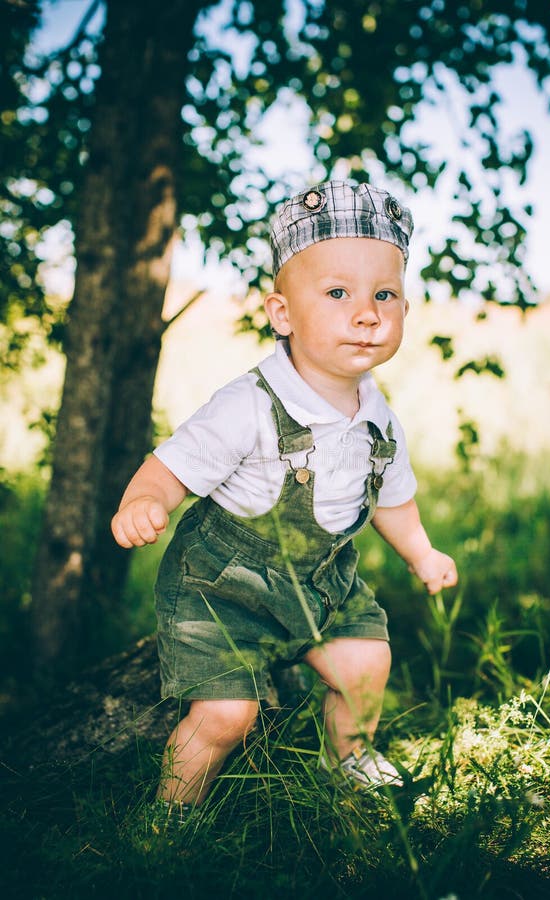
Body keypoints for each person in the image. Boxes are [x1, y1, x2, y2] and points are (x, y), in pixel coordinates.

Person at [112, 180, 458, 813]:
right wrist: (146, 500)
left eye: (386, 295)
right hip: (223, 588)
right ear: (282, 314)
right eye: (337, 294)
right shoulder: (248, 404)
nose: (367, 313)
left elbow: (391, 499)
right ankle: (169, 819)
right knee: (225, 716)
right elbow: (172, 464)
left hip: (321, 582)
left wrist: (422, 553)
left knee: (365, 666)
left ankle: (345, 759)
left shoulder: (378, 416)